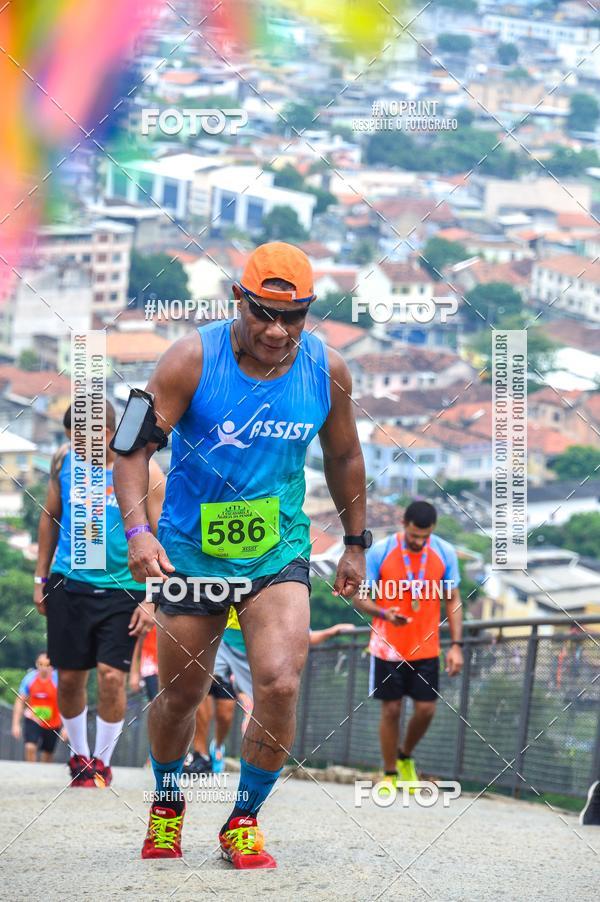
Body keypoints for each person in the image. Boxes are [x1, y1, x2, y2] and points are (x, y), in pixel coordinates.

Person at [112, 241, 369, 868]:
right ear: (238, 300)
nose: (278, 331)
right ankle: (168, 802)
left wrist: (356, 543)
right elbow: (129, 449)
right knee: (181, 695)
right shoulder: (189, 358)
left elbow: (343, 457)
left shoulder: (328, 370)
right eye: (263, 314)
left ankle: (243, 820)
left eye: (295, 317)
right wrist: (139, 534)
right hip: (190, 554)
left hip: (277, 549)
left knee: (280, 682)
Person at [34, 402, 163, 787]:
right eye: (74, 440)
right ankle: (79, 755)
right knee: (70, 678)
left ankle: (100, 762)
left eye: (87, 440)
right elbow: (49, 516)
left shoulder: (146, 473)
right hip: (68, 582)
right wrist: (40, 578)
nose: (80, 448)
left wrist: (153, 597)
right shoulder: (63, 463)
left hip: (124, 589)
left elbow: (163, 536)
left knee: (111, 677)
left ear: (110, 432)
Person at [353, 500, 463, 790]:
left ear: (433, 530)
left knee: (426, 710)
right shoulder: (381, 551)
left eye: (424, 537)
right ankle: (389, 774)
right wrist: (383, 613)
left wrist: (456, 645)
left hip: (427, 648)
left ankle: (405, 756)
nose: (418, 541)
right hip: (387, 647)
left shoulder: (444, 552)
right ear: (404, 524)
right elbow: (360, 599)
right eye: (414, 535)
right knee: (391, 710)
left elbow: (452, 599)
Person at [184, 605, 253, 777]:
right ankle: (201, 755)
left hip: (244, 644)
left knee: (225, 714)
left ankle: (217, 745)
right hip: (216, 636)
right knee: (202, 689)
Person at [12, 652, 62, 762]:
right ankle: (31, 773)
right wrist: (15, 724)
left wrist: (68, 727)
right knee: (30, 747)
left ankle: (43, 776)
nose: (44, 668)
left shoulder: (58, 679)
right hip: (33, 718)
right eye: (41, 664)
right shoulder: (29, 678)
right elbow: (20, 700)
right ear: (36, 664)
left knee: (47, 754)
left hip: (53, 721)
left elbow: (67, 702)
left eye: (47, 665)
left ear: (52, 666)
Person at [130, 624, 159, 703]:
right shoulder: (147, 617)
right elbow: (138, 643)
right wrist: (134, 673)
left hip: (171, 667)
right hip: (151, 667)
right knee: (155, 702)